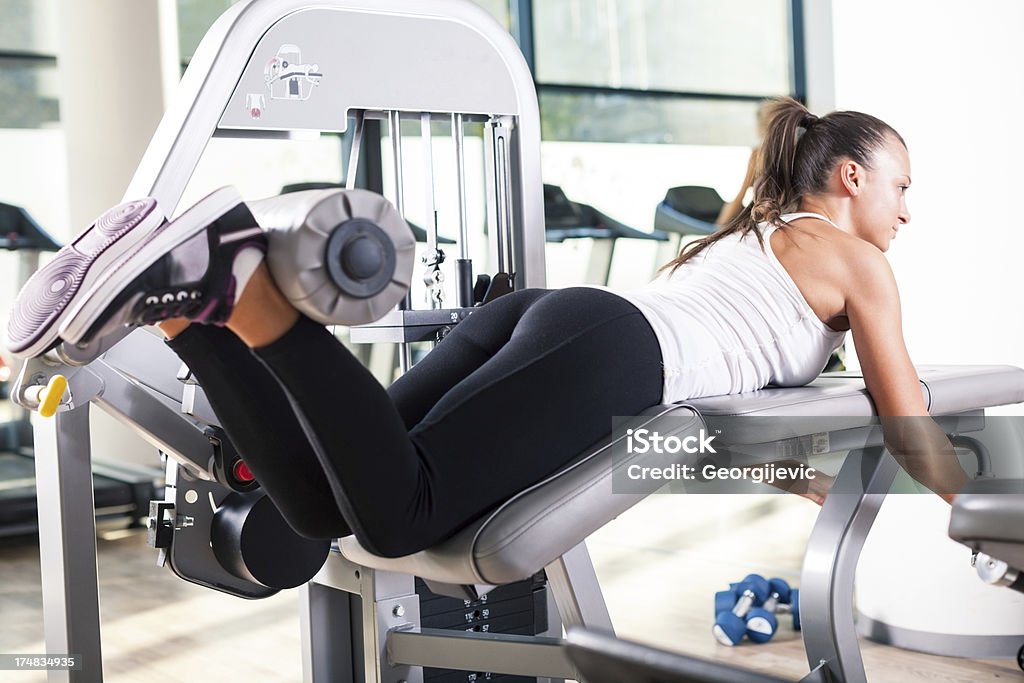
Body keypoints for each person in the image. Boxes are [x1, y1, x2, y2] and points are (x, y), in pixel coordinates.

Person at [5, 97, 967, 558]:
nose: (906, 211)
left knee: (320, 504)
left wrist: (794, 477)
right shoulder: (858, 262)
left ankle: (190, 314)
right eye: (901, 187)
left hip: (569, 327)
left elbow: (721, 394)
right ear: (851, 176)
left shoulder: (756, 238)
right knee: (400, 518)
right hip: (613, 350)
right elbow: (909, 420)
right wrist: (981, 509)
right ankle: (242, 283)